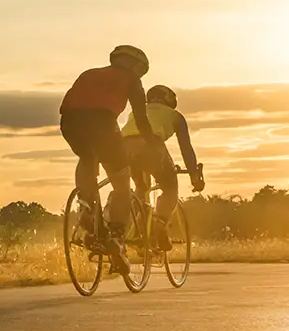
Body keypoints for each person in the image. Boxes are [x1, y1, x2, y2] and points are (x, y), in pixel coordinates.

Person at [59, 45, 159, 276]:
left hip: (70, 122)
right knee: (122, 182)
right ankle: (117, 234)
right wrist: (152, 143)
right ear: (136, 66)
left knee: (86, 157)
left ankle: (86, 204)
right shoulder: (132, 80)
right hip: (103, 122)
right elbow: (141, 118)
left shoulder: (89, 73)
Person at [120, 85, 206, 250]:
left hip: (124, 148)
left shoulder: (136, 111)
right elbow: (186, 148)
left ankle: (139, 232)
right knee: (170, 188)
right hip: (151, 146)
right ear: (170, 100)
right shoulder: (175, 116)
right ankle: (159, 224)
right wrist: (194, 175)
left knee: (141, 187)